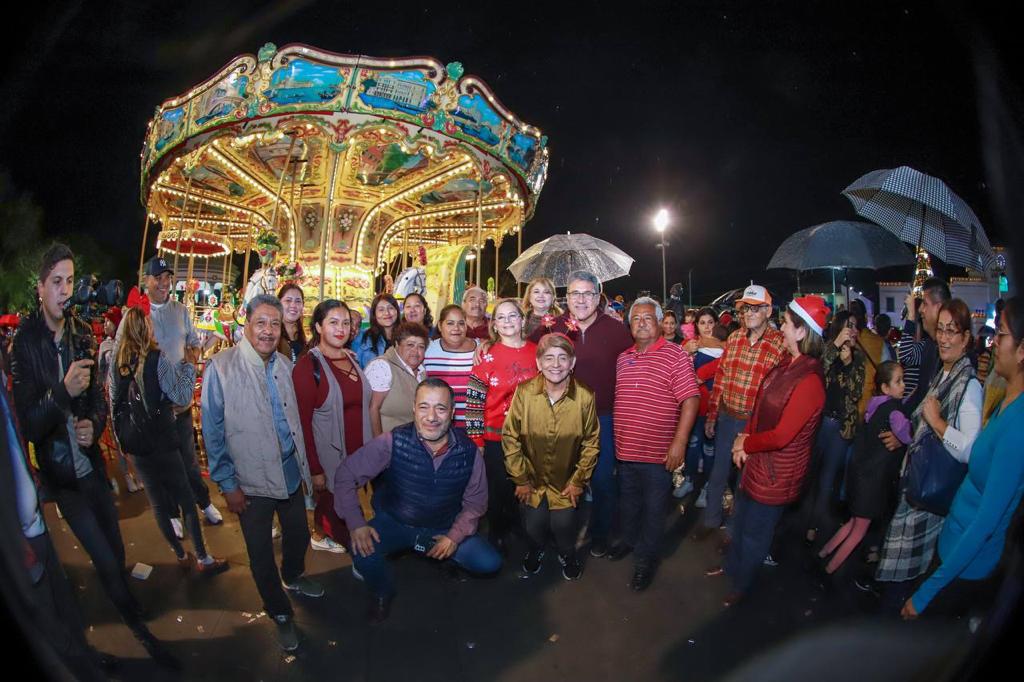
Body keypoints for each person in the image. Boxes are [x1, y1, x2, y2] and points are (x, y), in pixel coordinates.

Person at [12, 244, 175, 667]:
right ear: (40, 287)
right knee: (103, 558)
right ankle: (137, 628)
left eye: (69, 280)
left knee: (115, 550)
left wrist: (93, 423)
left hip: (93, 469)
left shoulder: (81, 331)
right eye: (56, 282)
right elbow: (29, 423)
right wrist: (62, 392)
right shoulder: (25, 344)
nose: (64, 290)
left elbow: (100, 399)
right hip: (63, 478)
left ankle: (126, 604)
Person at [201, 294, 321, 652]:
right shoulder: (221, 367)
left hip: (288, 471)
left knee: (299, 534)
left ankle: (293, 576)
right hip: (249, 481)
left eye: (274, 324)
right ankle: (280, 613)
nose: (268, 331)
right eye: (261, 323)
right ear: (247, 324)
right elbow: (213, 432)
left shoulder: (283, 363)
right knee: (260, 554)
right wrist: (228, 484)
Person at [335, 379, 502, 623]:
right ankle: (382, 592)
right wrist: (356, 523)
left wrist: (454, 537)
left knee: (489, 562)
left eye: (440, 408)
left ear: (452, 413)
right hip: (397, 521)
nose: (431, 417)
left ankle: (445, 557)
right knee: (361, 551)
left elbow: (476, 503)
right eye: (424, 407)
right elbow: (346, 474)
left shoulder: (469, 452)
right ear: (414, 408)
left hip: (443, 526)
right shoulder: (392, 441)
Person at [903, 296, 1024, 619]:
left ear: (1022, 350)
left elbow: (986, 523)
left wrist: (925, 595)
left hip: (966, 565)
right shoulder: (1005, 401)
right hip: (952, 543)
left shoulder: (1018, 426)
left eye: (1001, 334)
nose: (993, 342)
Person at [705, 296, 828, 607]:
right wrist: (745, 436)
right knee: (741, 522)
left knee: (755, 534)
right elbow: (760, 404)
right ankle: (731, 568)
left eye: (786, 323)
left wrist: (745, 444)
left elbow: (783, 436)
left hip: (776, 473)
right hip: (759, 462)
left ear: (802, 332)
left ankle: (743, 586)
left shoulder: (810, 380)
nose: (781, 328)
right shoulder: (788, 364)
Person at [2, 379, 115, 681]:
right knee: (48, 629)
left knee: (65, 608)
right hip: (17, 544)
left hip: (35, 525)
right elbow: (32, 424)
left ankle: (86, 659)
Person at [874, 299, 982, 609]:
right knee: (900, 572)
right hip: (916, 486)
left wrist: (937, 423)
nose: (944, 338)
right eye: (941, 330)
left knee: (904, 578)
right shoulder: (944, 373)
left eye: (953, 331)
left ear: (965, 338)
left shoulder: (969, 385)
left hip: (929, 495)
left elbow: (969, 450)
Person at [112, 305, 229, 574]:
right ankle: (203, 558)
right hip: (162, 440)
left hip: (137, 445)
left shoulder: (118, 363)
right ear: (145, 329)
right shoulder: (156, 358)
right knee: (185, 500)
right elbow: (180, 395)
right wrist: (188, 367)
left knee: (158, 503)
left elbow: (115, 403)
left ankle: (179, 553)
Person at [112, 255, 223, 536]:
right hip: (152, 408)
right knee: (162, 464)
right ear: (146, 280)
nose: (163, 283)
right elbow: (119, 357)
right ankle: (172, 513)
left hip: (179, 404)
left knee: (188, 461)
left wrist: (193, 355)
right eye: (158, 278)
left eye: (167, 278)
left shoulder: (180, 310)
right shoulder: (136, 315)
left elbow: (193, 344)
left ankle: (203, 501)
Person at [527, 270, 633, 558]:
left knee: (602, 481)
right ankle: (559, 536)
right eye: (575, 293)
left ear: (598, 297)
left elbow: (638, 358)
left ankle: (599, 535)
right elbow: (523, 350)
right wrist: (486, 344)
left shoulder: (616, 329)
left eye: (588, 293)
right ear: (567, 297)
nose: (581, 299)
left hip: (602, 418)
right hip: (560, 419)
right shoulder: (553, 326)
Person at [609, 297, 700, 590]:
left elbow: (691, 399)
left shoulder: (675, 355)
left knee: (654, 510)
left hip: (658, 454)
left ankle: (646, 560)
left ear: (660, 323)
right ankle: (629, 540)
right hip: (626, 451)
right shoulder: (623, 357)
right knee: (629, 503)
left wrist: (680, 442)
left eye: (648, 318)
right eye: (635, 319)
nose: (641, 323)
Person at [502, 333, 598, 580]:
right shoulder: (524, 392)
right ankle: (536, 550)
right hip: (531, 481)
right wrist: (520, 478)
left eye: (562, 358)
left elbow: (591, 443)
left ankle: (568, 554)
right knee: (533, 525)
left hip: (566, 483)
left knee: (564, 527)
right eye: (549, 358)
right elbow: (510, 436)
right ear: (539, 362)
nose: (556, 364)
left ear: (572, 363)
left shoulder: (585, 396)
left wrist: (578, 481)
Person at [696, 285, 786, 540]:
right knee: (718, 472)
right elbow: (721, 378)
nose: (749, 313)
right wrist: (712, 415)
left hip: (754, 424)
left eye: (756, 308)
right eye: (746, 308)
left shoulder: (779, 344)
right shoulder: (735, 338)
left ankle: (734, 531)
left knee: (745, 480)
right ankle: (711, 520)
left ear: (768, 311)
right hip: (727, 417)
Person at [293, 299, 372, 554]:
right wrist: (315, 469)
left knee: (351, 519)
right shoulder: (307, 366)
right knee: (353, 536)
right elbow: (302, 423)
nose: (341, 329)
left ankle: (322, 531)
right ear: (318, 327)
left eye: (346, 323)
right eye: (333, 322)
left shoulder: (351, 358)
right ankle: (325, 534)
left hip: (355, 456)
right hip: (329, 461)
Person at [818, 361, 911, 573]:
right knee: (859, 531)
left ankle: (824, 552)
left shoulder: (874, 405)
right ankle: (829, 569)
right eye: (899, 381)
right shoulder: (895, 411)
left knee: (853, 523)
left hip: (860, 475)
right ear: (885, 387)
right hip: (874, 481)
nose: (904, 385)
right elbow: (907, 435)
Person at [465, 298, 538, 554]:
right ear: (494, 324)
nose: (507, 321)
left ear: (522, 320)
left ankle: (521, 528)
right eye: (501, 317)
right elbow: (474, 401)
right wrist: (476, 441)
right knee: (498, 490)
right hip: (495, 437)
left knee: (526, 487)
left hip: (530, 437)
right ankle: (497, 533)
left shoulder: (538, 352)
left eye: (512, 316)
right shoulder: (486, 355)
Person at [804, 311, 866, 544]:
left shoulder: (858, 358)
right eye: (850, 326)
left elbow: (855, 393)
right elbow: (817, 371)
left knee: (828, 478)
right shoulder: (826, 349)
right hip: (819, 422)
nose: (854, 331)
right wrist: (837, 345)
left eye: (856, 326)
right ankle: (799, 517)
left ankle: (813, 525)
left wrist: (849, 363)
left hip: (840, 427)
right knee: (809, 471)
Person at [677, 307, 725, 501]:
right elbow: (676, 366)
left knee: (709, 448)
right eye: (702, 323)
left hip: (714, 406)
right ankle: (689, 480)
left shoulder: (726, 347)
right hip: (693, 406)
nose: (706, 327)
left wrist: (701, 374)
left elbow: (724, 366)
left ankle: (707, 487)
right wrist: (685, 351)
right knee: (692, 445)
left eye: (710, 322)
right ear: (696, 325)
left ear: (716, 324)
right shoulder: (689, 344)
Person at [365, 322, 429, 436]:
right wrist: (379, 443)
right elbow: (372, 408)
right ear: (397, 344)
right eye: (410, 345)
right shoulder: (382, 366)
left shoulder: (422, 371)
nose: (415, 351)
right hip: (387, 442)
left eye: (421, 347)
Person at [899, 278, 952, 415]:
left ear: (939, 307)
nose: (921, 309)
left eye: (925, 303)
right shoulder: (928, 346)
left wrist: (911, 315)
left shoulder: (950, 352)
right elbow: (921, 393)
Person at [423, 305, 478, 429]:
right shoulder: (427, 350)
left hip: (474, 428)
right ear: (440, 326)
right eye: (450, 323)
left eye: (461, 323)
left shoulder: (481, 349)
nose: (456, 328)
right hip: (438, 427)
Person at [849, 299, 887, 415]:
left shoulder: (845, 342)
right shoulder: (879, 343)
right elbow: (887, 373)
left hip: (849, 407)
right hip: (871, 406)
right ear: (865, 317)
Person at [352, 293, 400, 368]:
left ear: (397, 311)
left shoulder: (405, 337)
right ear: (374, 314)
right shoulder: (362, 337)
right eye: (381, 310)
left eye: (391, 308)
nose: (387, 313)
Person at [277, 283, 307, 363]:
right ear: (279, 303)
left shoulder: (304, 339)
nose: (293, 305)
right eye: (288, 300)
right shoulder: (271, 335)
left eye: (298, 301)